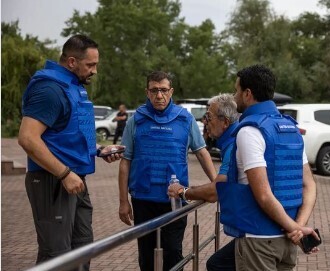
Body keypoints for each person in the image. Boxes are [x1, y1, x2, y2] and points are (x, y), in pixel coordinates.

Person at [18, 34, 123, 270]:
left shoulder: (73, 87)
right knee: (57, 256)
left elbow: (66, 136)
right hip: (52, 180)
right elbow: (27, 138)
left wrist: (98, 150)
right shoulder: (50, 89)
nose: (94, 71)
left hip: (74, 180)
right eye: (91, 65)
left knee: (83, 248)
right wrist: (64, 174)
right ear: (72, 62)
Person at [216, 64, 319, 271]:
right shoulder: (291, 129)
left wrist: (295, 229)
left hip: (258, 239)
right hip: (288, 240)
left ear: (247, 94)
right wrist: (297, 228)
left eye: (236, 91)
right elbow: (310, 186)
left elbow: (263, 194)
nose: (234, 97)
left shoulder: (250, 131)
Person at [118, 71, 217, 271]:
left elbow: (201, 152)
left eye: (163, 90)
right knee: (146, 257)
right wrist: (123, 202)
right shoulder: (136, 120)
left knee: (173, 254)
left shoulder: (185, 119)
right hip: (143, 200)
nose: (159, 95)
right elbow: (125, 162)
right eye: (154, 90)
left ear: (171, 91)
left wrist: (217, 183)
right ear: (147, 92)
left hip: (175, 201)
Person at [168, 93, 239, 271]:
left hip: (258, 233)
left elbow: (216, 191)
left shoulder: (236, 143)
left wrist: (184, 192)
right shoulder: (233, 140)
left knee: (216, 264)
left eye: (208, 116)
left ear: (225, 122)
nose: (204, 121)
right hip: (256, 229)